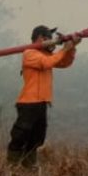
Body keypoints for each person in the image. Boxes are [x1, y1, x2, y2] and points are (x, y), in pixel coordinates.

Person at [7, 25, 81, 167]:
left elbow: (64, 62)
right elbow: (47, 63)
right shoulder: (30, 53)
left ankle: (29, 167)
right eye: (47, 38)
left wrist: (71, 48)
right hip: (29, 102)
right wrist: (64, 48)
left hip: (42, 102)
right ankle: (11, 166)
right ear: (40, 38)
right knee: (20, 134)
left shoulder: (46, 55)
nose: (51, 42)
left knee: (37, 137)